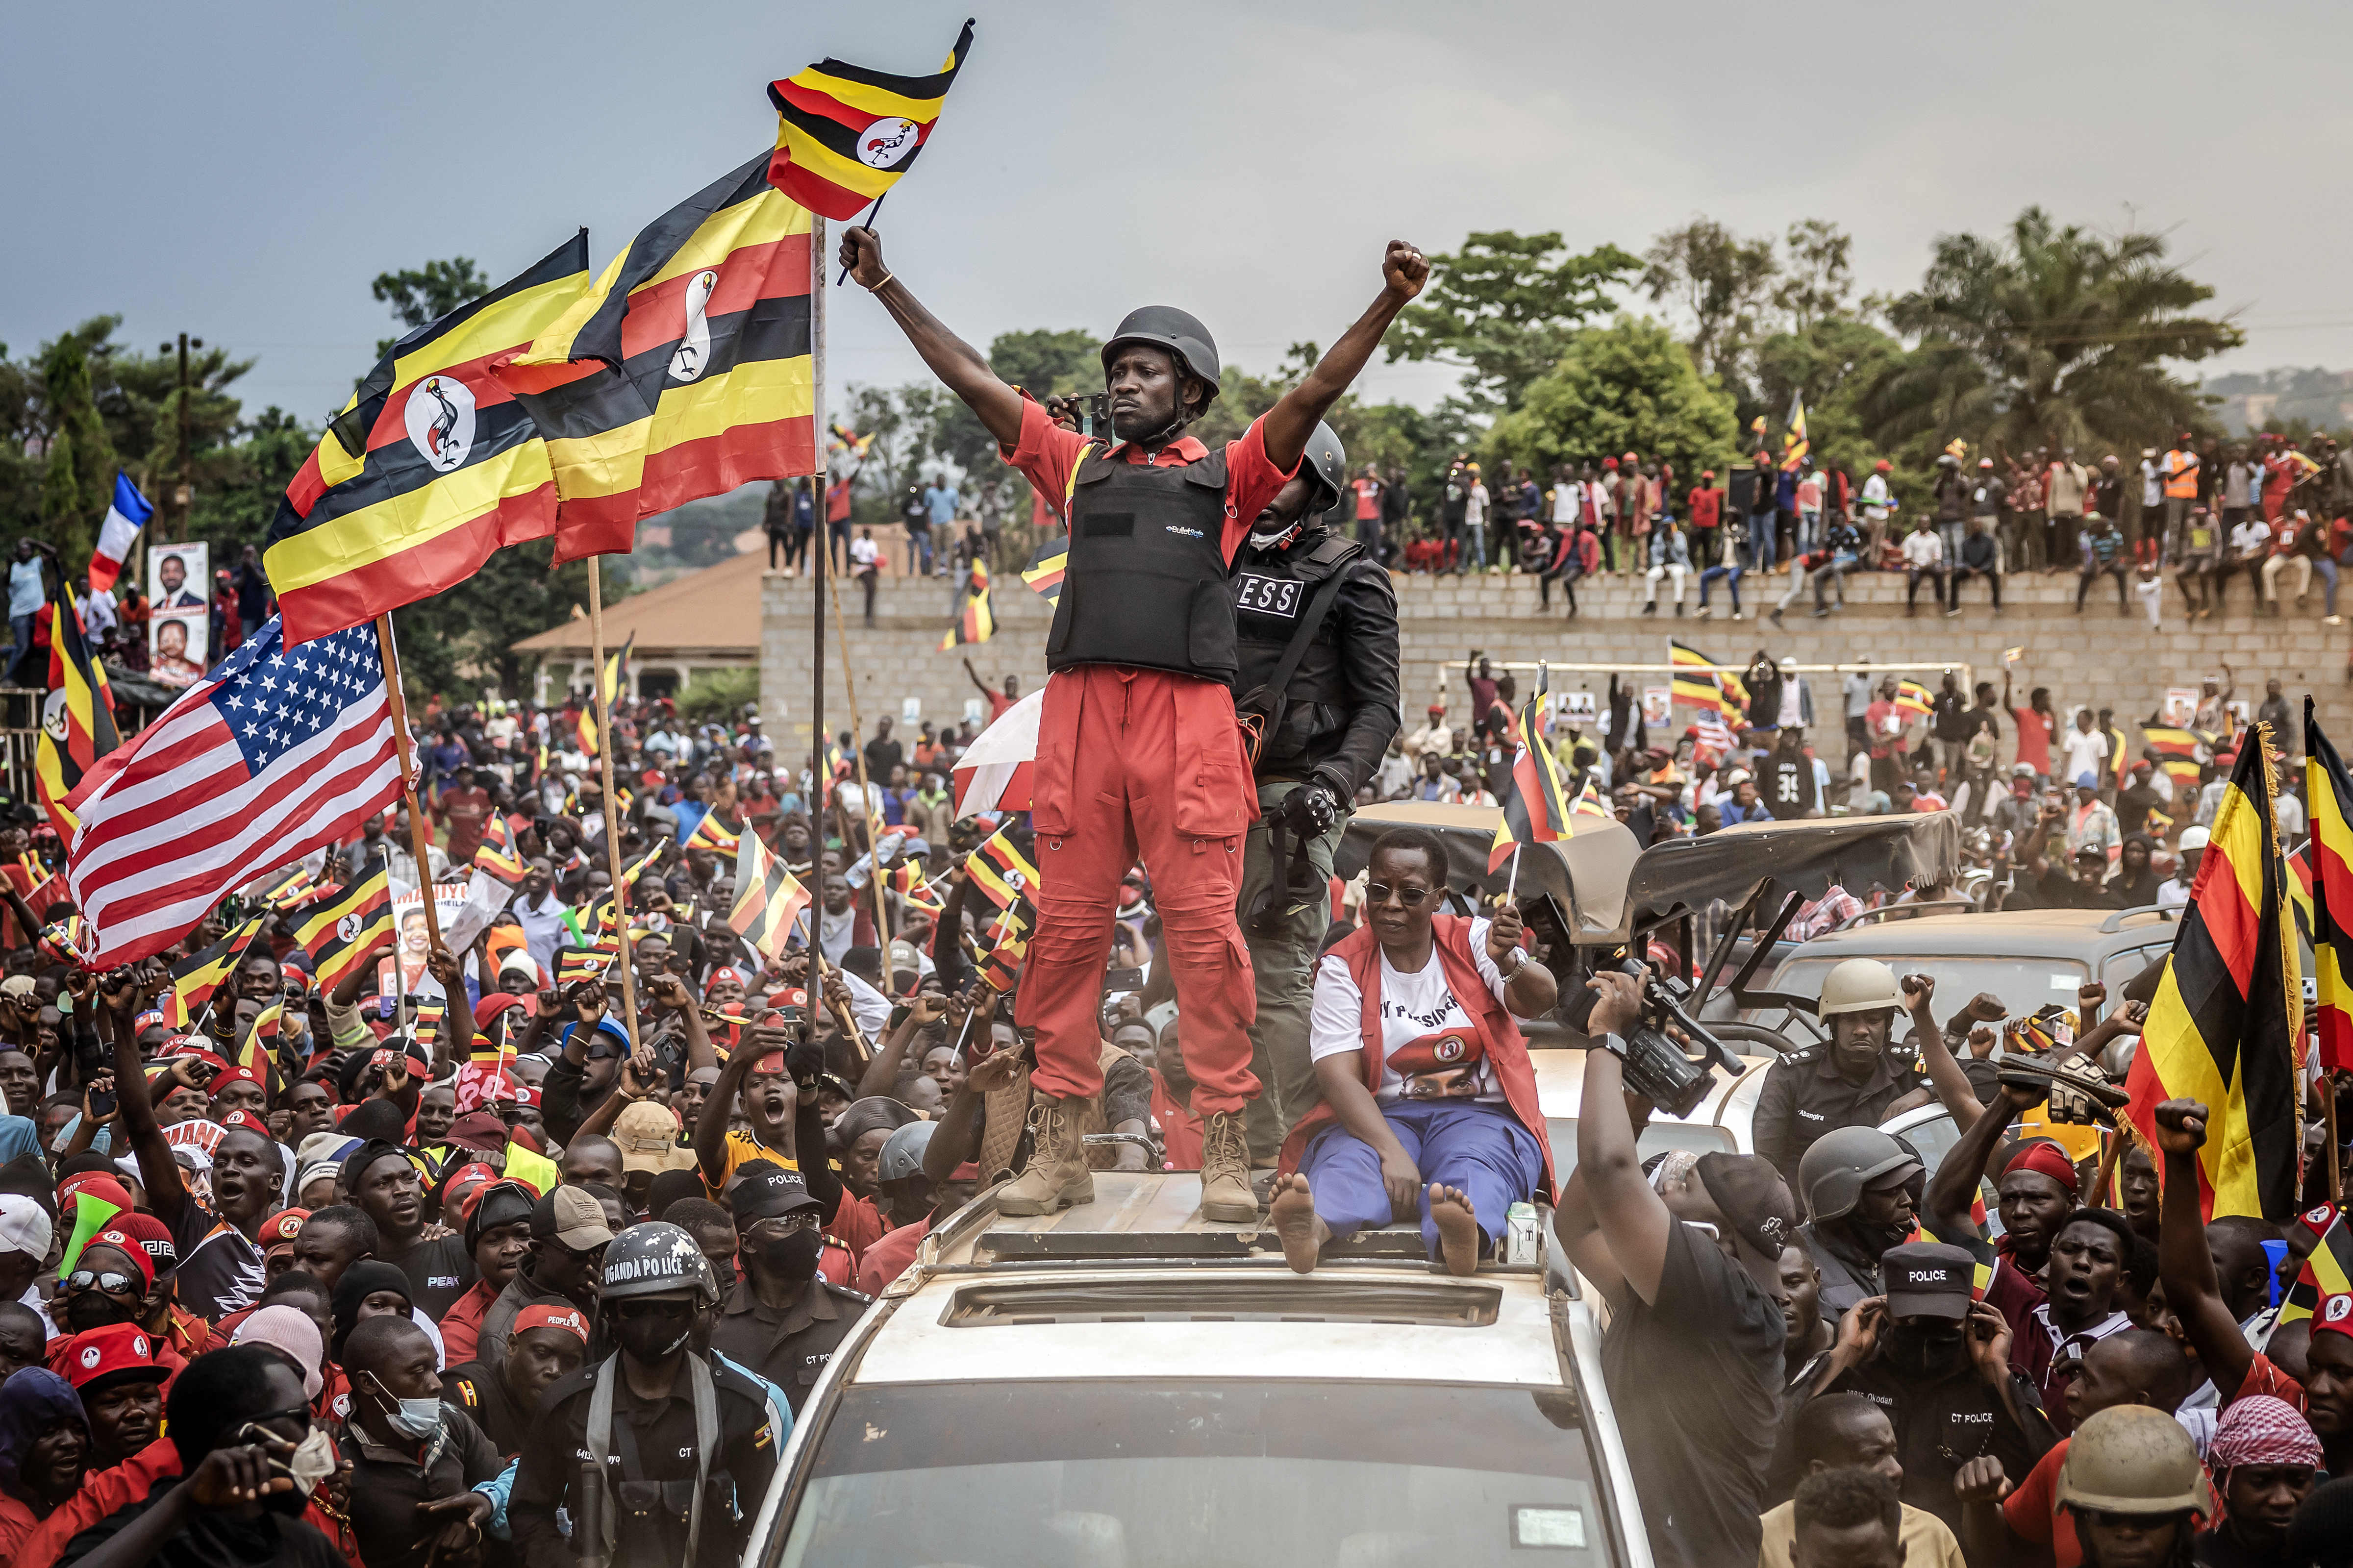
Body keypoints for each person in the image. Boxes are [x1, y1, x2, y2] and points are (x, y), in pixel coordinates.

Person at [835, 219, 1430, 1226]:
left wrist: (1386, 304)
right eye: (1116, 370)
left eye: (1145, 371)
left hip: (1186, 719)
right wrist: (887, 285)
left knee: (1206, 941)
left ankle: (1228, 1161)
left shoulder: (1230, 476)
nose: (1122, 384)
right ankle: (1060, 1154)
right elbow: (973, 382)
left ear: (1189, 391)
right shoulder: (1075, 469)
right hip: (1081, 717)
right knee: (1065, 937)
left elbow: (1314, 392)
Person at [1557, 960, 1796, 1568]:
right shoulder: (1689, 1302)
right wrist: (1638, 1099)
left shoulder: (1723, 1302)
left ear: (1712, 1238)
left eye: (1678, 1187)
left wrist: (1607, 1039)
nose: (1657, 1186)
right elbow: (1579, 1225)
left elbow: (1611, 1173)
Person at [1268, 827, 1555, 1276]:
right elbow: (1338, 1075)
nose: (1391, 903)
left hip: (1477, 1114)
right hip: (1384, 1117)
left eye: (1411, 893)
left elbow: (1540, 999)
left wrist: (1510, 960)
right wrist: (1389, 1150)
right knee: (1350, 1163)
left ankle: (1463, 1237)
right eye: (1380, 889)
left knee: (1474, 1164)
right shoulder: (1343, 965)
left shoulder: (1475, 938)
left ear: (1438, 897)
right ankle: (1312, 1228)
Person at [1228, 422, 1402, 1163]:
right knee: (1195, 977)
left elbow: (1380, 706)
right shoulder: (1215, 555)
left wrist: (1333, 784)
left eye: (1289, 477)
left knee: (1271, 977)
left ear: (1321, 489)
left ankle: (1292, 1150)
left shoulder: (1353, 575)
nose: (1271, 488)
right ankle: (1226, 1138)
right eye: (1263, 473)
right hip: (1203, 789)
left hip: (1289, 800)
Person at [510, 1223, 779, 1568]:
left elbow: (770, 1518)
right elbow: (528, 1513)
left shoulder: (738, 1405)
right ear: (609, 1313)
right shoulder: (568, 1404)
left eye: (670, 1308)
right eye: (635, 1309)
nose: (652, 1321)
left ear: (696, 1308)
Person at [1790, 1242, 2048, 1535]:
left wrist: (1996, 1371)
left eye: (1944, 1319)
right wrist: (1844, 1354)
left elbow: (2049, 1473)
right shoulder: (1856, 1372)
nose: (1926, 1328)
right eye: (1911, 1317)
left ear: (1971, 1312)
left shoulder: (1996, 1380)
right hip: (1859, 1546)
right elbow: (1783, 1448)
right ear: (1885, 1311)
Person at [333, 1314, 500, 1568]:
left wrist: (479, 1527)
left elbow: (511, 1487)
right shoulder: (343, 1465)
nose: (436, 1384)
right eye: (418, 1372)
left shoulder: (451, 1421)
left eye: (434, 1368)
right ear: (368, 1383)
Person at [1956, 1402, 2209, 1568]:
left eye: (2152, 1518)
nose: (2128, 1532)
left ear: (2185, 1519)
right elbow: (2002, 1551)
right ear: (2078, 1520)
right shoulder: (2063, 1458)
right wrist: (1980, 1504)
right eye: (2103, 1516)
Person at [707, 1163, 870, 1416]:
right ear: (748, 1243)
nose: (803, 1232)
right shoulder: (715, 1323)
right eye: (785, 1222)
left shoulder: (858, 1318)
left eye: (810, 1220)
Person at [1752, 960, 1928, 1193]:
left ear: (1889, 1024)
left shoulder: (1911, 1067)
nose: (1861, 1030)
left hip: (1888, 1212)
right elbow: (1765, 1162)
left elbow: (1982, 1078)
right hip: (1808, 1216)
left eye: (1873, 1020)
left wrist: (1926, 1092)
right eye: (1849, 1019)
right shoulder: (1793, 1074)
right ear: (1832, 1023)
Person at [1757, 1396, 1967, 1568]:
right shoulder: (1761, 1539)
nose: (1897, 1470)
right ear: (1821, 1471)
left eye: (1893, 1453)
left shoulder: (1933, 1533)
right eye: (1873, 1457)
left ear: (1900, 1555)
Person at [1794, 1127, 1924, 1324]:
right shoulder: (1796, 1264)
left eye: (1904, 1188)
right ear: (1842, 1201)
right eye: (1891, 1192)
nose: (1907, 1201)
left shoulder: (1906, 1257)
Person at [437, 1302, 591, 1458]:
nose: (555, 1371)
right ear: (512, 1345)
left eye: (570, 1363)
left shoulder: (572, 1406)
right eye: (542, 1353)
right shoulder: (469, 1391)